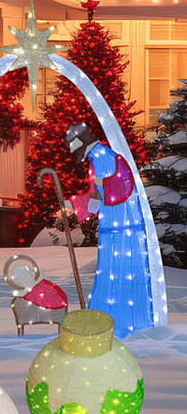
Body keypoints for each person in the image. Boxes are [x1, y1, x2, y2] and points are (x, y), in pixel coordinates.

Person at [63, 123, 153, 336]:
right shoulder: (97, 159)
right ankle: (108, 322)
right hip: (113, 228)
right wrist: (75, 205)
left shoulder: (104, 157)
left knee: (119, 278)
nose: (71, 151)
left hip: (122, 230)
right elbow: (97, 197)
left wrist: (95, 190)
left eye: (72, 146)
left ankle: (118, 325)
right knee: (112, 278)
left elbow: (120, 188)